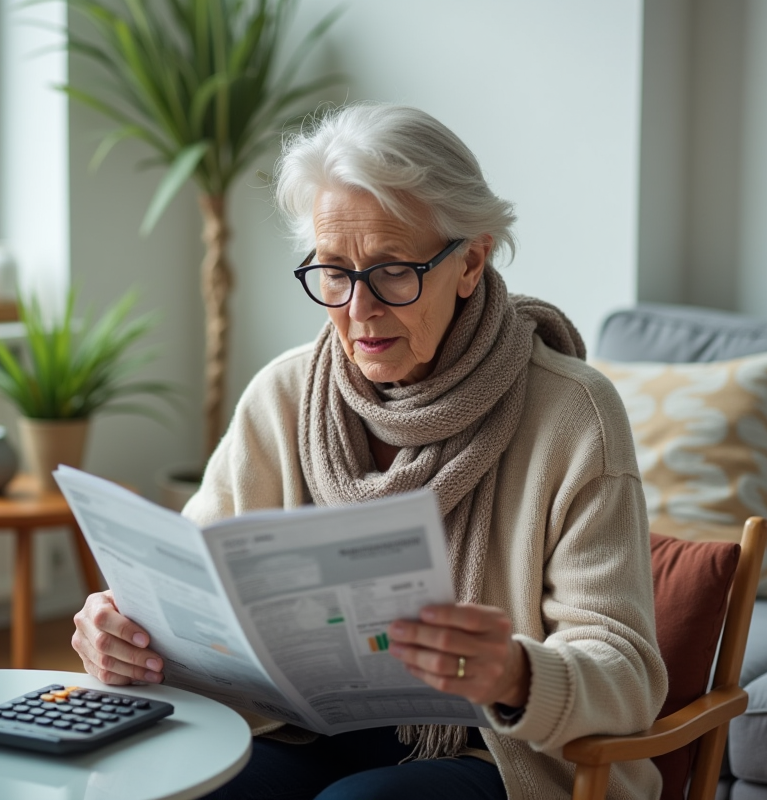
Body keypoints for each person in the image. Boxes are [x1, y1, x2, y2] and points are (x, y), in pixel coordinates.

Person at [71, 103, 667, 800]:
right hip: (298, 731)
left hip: (498, 758)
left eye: (391, 272)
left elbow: (627, 675)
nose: (358, 310)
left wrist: (514, 673)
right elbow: (191, 592)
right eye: (333, 272)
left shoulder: (574, 413)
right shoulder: (282, 396)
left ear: (470, 261)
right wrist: (122, 631)